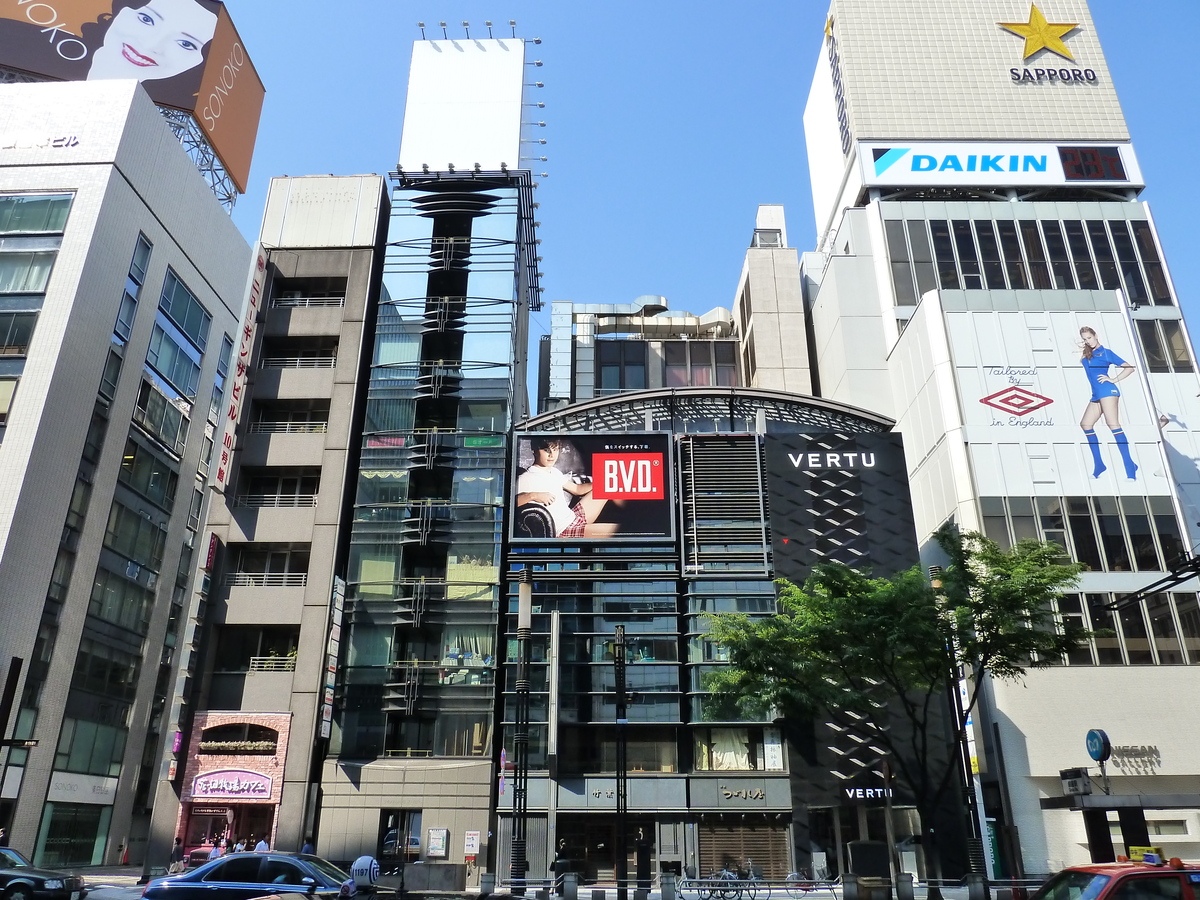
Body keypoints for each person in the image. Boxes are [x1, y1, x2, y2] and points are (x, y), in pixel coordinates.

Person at [85, 0, 218, 84]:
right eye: (146, 19)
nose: (151, 45)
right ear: (119, 11)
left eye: (185, 44)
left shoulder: (148, 123)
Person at [515, 438, 618, 539]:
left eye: (555, 449)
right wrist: (533, 495)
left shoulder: (554, 471)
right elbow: (511, 505)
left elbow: (577, 489)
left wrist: (601, 483)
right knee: (619, 531)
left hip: (573, 517)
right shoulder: (526, 477)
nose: (552, 455)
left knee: (608, 487)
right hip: (565, 531)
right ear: (535, 451)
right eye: (546, 450)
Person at [1078, 326, 1137, 480]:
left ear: (1095, 335)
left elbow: (1129, 368)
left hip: (1107, 391)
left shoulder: (1106, 353)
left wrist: (1113, 379)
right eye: (1084, 339)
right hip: (1096, 394)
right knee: (1085, 424)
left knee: (1113, 424)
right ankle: (1099, 465)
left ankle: (1129, 466)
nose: (1087, 341)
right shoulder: (1088, 355)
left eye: (1089, 338)